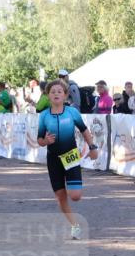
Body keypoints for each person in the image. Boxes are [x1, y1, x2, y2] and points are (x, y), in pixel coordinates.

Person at [37, 80, 99, 240]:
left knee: (75, 195)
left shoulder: (72, 112)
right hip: (53, 159)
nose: (56, 94)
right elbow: (39, 140)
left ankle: (74, 186)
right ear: (48, 95)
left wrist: (92, 147)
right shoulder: (44, 115)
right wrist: (46, 141)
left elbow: (84, 130)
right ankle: (75, 226)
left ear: (65, 95)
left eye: (59, 91)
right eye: (53, 91)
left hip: (70, 155)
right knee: (60, 196)